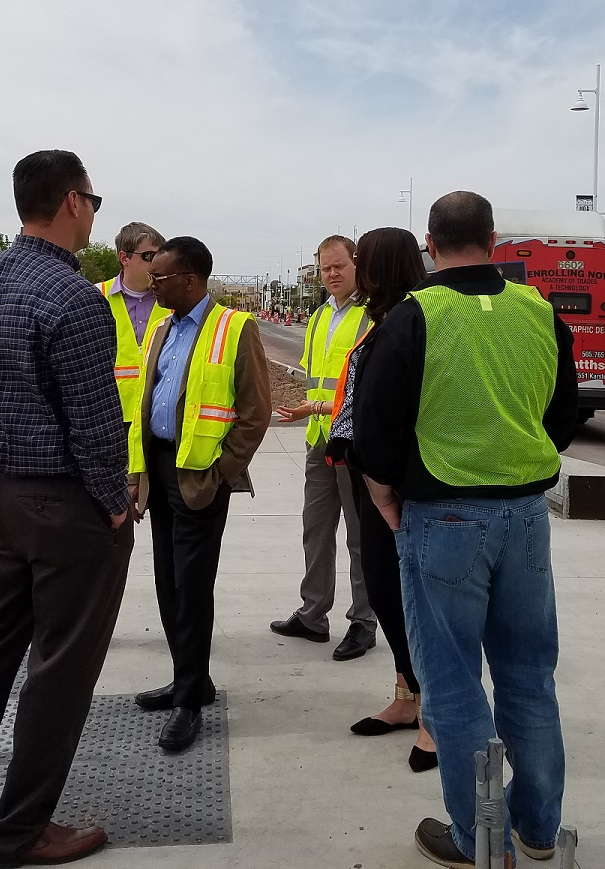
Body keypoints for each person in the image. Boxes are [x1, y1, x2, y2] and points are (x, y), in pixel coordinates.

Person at [0, 150, 132, 868]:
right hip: (67, 505)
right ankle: (18, 830)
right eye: (92, 199)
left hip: (3, 492)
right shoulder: (73, 301)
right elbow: (96, 425)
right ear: (72, 202)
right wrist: (113, 505)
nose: (93, 210)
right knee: (61, 668)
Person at [352, 192, 578, 866]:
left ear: (430, 241)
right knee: (529, 678)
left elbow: (375, 429)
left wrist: (384, 495)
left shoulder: (413, 316)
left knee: (451, 686)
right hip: (525, 516)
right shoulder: (539, 310)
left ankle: (479, 838)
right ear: (493, 237)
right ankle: (536, 830)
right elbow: (563, 416)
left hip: (443, 517)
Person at [129, 236, 272, 752]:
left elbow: (256, 413)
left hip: (200, 479)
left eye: (160, 277)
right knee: (168, 583)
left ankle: (189, 701)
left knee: (191, 587)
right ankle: (190, 679)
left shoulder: (235, 329)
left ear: (191, 279)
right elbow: (152, 399)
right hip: (162, 471)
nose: (153, 283)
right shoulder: (163, 328)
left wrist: (220, 473)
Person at [323, 227, 436, 772]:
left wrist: (384, 484)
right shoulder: (382, 318)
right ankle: (408, 697)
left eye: (363, 261)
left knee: (410, 597)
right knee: (389, 590)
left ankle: (435, 718)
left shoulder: (411, 319)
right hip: (373, 477)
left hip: (401, 485)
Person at [270, 235, 377, 661]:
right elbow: (318, 377)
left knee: (359, 536)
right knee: (315, 530)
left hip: (353, 440)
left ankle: (363, 622)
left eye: (339, 266)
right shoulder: (318, 317)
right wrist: (309, 411)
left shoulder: (371, 315)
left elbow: (365, 387)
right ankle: (312, 614)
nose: (331, 274)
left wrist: (318, 406)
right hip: (318, 439)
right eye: (324, 268)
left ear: (356, 265)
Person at [98, 222, 170, 427]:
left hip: (157, 419)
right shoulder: (95, 297)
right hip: (110, 419)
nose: (156, 264)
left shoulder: (172, 301)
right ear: (124, 258)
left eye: (160, 256)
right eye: (149, 256)